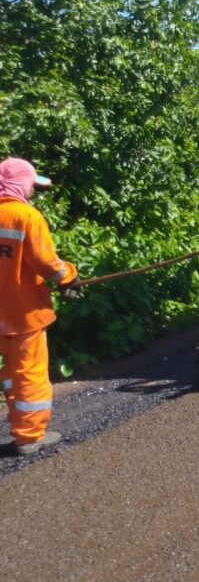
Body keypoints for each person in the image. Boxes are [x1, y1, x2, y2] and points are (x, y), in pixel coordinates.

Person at [0, 158, 79, 456]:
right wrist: (68, 278)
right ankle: (29, 435)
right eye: (32, 185)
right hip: (23, 314)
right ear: (21, 183)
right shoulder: (26, 217)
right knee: (29, 372)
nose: (32, 190)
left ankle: (18, 422)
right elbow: (47, 263)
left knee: (10, 372)